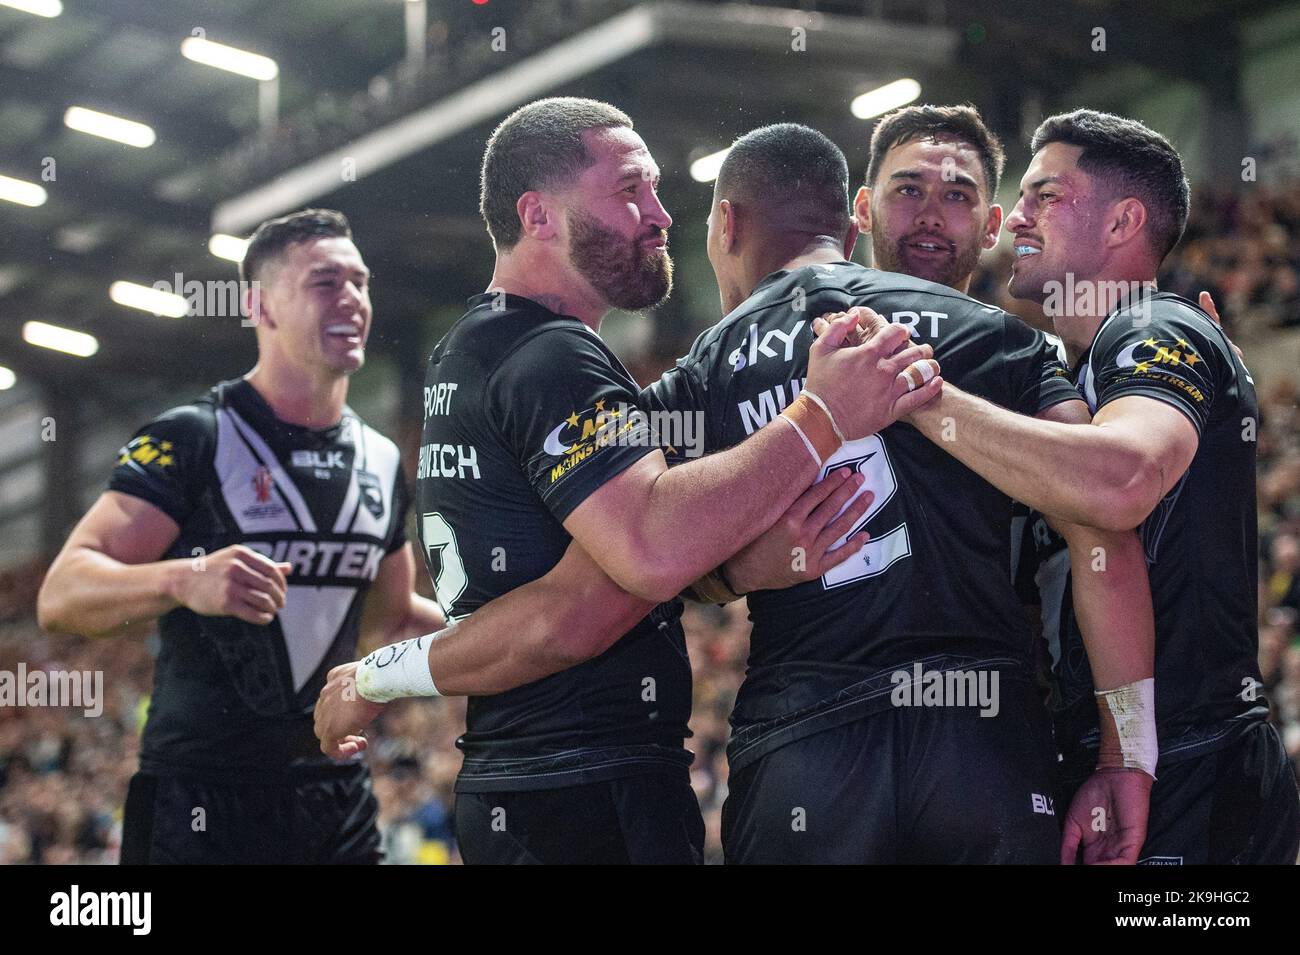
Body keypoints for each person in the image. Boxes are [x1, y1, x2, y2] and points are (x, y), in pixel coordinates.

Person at [320, 120, 1126, 864]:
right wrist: (1127, 749)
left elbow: (624, 570)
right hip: (986, 740)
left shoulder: (678, 373)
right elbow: (1102, 519)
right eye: (633, 191)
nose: (661, 218)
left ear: (728, 226)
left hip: (797, 750)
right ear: (853, 228)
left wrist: (731, 564)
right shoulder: (1011, 339)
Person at [899, 109, 1300, 864]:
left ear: (1123, 222)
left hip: (1193, 768)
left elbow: (1123, 480)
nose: (1013, 216)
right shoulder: (1082, 370)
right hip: (1148, 758)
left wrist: (922, 398)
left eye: (1045, 195)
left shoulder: (1153, 326)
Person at [37, 209, 445, 864]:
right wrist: (180, 578)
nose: (353, 299)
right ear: (258, 304)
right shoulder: (193, 437)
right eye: (325, 282)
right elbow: (60, 594)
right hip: (200, 802)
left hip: (335, 797)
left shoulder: (379, 458)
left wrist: (509, 636)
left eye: (360, 282)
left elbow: (390, 618)